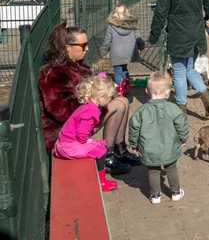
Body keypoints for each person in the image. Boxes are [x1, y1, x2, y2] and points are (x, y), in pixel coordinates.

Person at [38, 21, 139, 175]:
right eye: (83, 45)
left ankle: (119, 149)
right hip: (66, 133)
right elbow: (63, 112)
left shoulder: (76, 67)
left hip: (80, 122)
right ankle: (107, 157)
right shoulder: (55, 74)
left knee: (122, 101)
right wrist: (99, 102)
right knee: (118, 104)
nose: (87, 48)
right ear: (67, 47)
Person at [149, 0, 209, 116]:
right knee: (189, 68)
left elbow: (160, 12)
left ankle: (181, 109)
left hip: (178, 33)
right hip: (196, 33)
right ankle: (206, 97)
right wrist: (207, 20)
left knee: (179, 72)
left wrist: (153, 35)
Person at [128, 71, 189, 205]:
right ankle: (176, 192)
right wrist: (183, 138)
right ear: (168, 93)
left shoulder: (141, 112)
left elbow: (134, 128)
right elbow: (181, 124)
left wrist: (134, 144)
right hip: (169, 147)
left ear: (146, 91)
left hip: (149, 149)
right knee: (171, 168)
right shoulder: (173, 109)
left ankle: (155, 195)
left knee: (153, 171)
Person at [53, 75, 120, 192]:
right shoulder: (91, 112)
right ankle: (101, 181)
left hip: (65, 142)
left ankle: (99, 178)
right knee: (101, 151)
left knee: (99, 146)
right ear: (100, 97)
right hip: (68, 146)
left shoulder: (88, 106)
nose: (110, 100)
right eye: (109, 98)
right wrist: (84, 141)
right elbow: (82, 132)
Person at [99, 4, 145, 96]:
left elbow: (107, 40)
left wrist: (103, 52)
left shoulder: (111, 26)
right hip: (129, 52)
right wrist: (141, 47)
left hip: (117, 53)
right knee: (124, 69)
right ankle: (126, 88)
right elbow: (138, 37)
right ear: (126, 12)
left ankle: (119, 91)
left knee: (117, 71)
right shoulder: (132, 24)